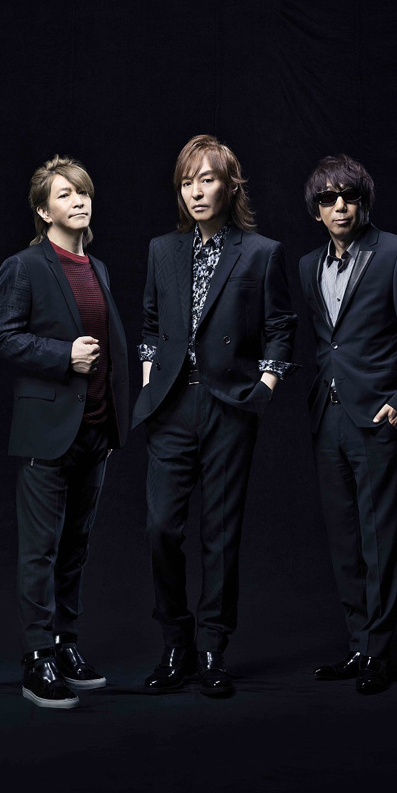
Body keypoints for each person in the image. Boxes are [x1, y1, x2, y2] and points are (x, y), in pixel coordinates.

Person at [133, 134, 297, 698]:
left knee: (220, 534)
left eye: (206, 179)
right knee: (161, 527)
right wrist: (151, 384)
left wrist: (264, 389)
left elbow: (280, 326)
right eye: (187, 182)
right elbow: (150, 322)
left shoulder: (262, 252)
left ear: (231, 185)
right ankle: (175, 642)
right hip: (171, 406)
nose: (196, 191)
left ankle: (212, 647)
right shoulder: (162, 250)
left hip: (230, 405)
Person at [0, 155, 129, 708]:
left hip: (94, 430)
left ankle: (66, 646)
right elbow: (2, 335)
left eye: (83, 192)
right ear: (44, 210)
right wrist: (63, 355)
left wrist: (115, 416)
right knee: (40, 550)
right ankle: (36, 657)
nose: (78, 200)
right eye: (65, 194)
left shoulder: (98, 269)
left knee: (75, 548)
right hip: (46, 433)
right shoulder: (23, 267)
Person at [298, 154, 397, 694]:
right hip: (327, 416)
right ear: (316, 210)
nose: (339, 207)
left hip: (376, 417)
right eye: (328, 199)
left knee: (379, 540)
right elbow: (327, 343)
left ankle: (378, 652)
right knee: (344, 540)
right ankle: (358, 646)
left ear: (363, 202)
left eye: (348, 196)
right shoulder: (308, 265)